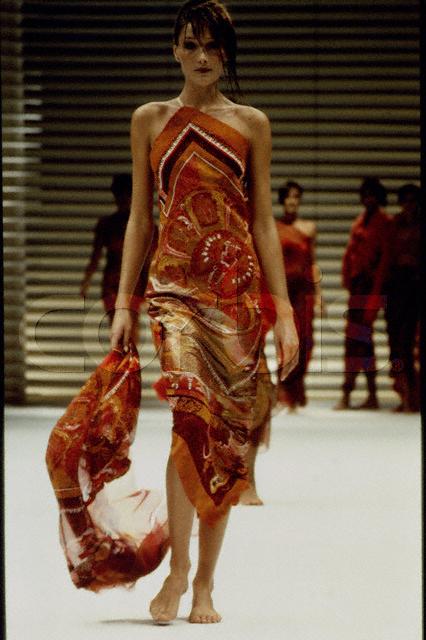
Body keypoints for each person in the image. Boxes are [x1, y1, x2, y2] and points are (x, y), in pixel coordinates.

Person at [110, 0, 299, 624]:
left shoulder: (252, 124)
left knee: (227, 440)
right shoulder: (149, 119)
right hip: (174, 293)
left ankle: (205, 584)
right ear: (174, 50)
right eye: (190, 44)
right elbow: (141, 218)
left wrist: (284, 311)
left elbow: (263, 222)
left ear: (227, 53)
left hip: (236, 296)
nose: (201, 56)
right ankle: (178, 570)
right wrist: (125, 303)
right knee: (189, 423)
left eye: (213, 46)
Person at [80, 173, 158, 341]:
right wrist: (86, 281)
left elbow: (151, 261)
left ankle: (128, 356)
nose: (123, 199)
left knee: (131, 324)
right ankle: (121, 356)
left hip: (136, 281)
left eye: (127, 194)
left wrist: (150, 287)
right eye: (120, 194)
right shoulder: (107, 224)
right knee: (117, 325)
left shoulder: (147, 228)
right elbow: (95, 257)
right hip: (113, 281)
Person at [334, 177, 390, 410]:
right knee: (356, 341)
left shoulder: (384, 222)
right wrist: (347, 277)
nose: (368, 199)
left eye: (372, 195)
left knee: (361, 341)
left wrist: (375, 297)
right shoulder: (360, 220)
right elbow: (350, 252)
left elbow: (384, 262)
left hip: (370, 288)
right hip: (357, 288)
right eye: (365, 194)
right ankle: (361, 393)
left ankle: (358, 393)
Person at [275, 180, 322, 411]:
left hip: (304, 292)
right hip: (284, 291)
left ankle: (297, 384)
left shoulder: (308, 227)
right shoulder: (274, 227)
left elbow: (312, 262)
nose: (292, 201)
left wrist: (319, 294)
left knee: (306, 340)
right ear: (282, 200)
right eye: (288, 196)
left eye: (296, 197)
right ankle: (284, 388)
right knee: (285, 338)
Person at [384, 183, 420, 412]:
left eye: (413, 201)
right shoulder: (393, 225)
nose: (409, 205)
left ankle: (412, 395)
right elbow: (387, 256)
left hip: (415, 285)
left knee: (408, 342)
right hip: (396, 286)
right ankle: (403, 392)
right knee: (396, 342)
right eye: (405, 200)